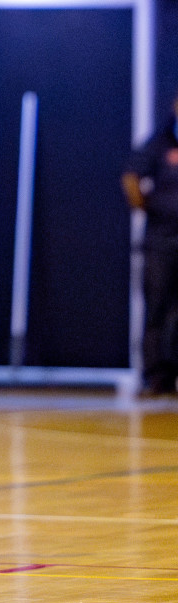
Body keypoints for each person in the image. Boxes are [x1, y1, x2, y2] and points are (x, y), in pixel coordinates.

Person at [123, 91, 178, 396]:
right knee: (156, 308)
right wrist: (147, 206)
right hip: (159, 241)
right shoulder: (159, 143)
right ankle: (156, 376)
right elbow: (131, 177)